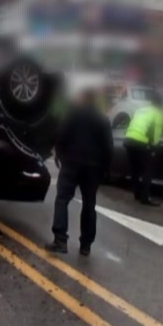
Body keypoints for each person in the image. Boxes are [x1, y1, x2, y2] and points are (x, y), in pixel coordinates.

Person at [45, 88, 113, 256]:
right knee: (89, 204)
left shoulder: (72, 114)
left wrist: (59, 154)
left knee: (62, 199)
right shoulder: (102, 118)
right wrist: (105, 169)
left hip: (71, 163)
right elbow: (108, 146)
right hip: (93, 167)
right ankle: (86, 245)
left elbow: (61, 135)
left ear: (82, 98)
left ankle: (60, 240)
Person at [123, 91, 163, 207]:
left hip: (128, 139)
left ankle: (137, 193)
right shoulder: (158, 114)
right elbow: (157, 133)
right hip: (141, 142)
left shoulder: (140, 110)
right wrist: (154, 147)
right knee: (147, 170)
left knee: (135, 169)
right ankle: (145, 197)